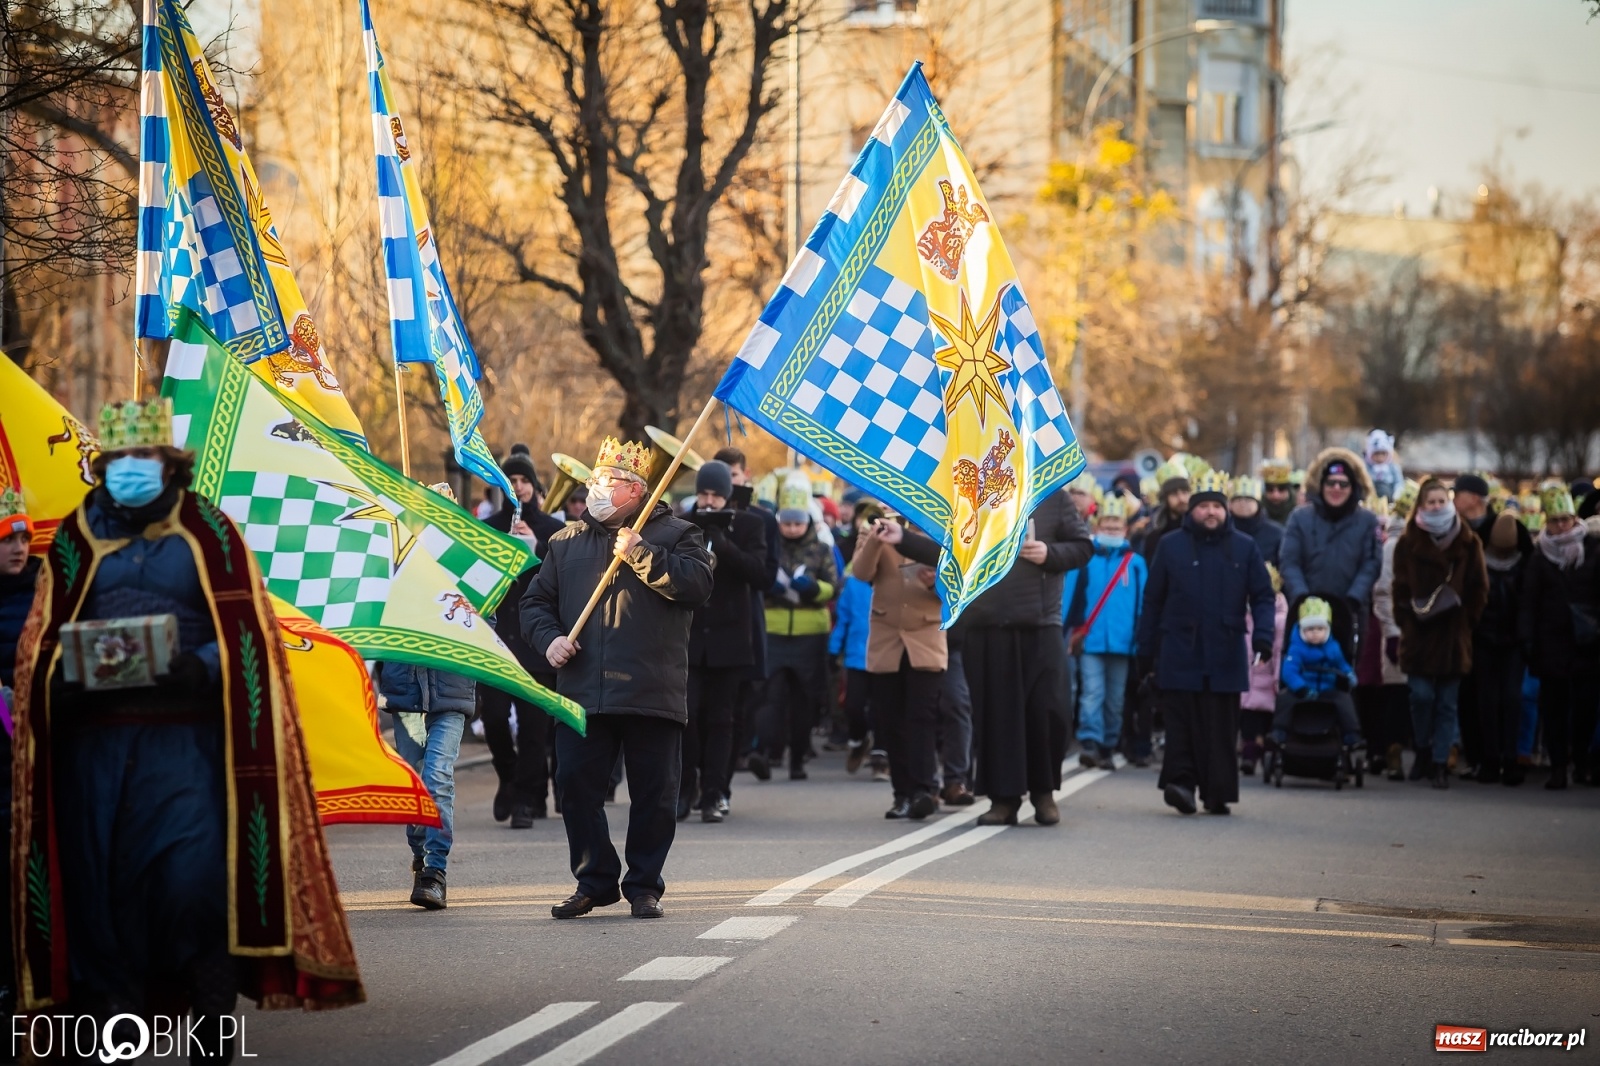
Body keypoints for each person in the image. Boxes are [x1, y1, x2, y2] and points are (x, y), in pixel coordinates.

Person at [12, 399, 362, 1036]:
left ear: (170, 465)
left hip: (187, 748)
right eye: (118, 460)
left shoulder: (211, 533)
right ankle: (106, 1034)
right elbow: (42, 639)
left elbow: (250, 637)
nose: (130, 469)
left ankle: (211, 1023)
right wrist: (65, 674)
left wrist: (201, 664)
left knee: (192, 889)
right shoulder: (73, 537)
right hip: (93, 753)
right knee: (101, 901)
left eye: (143, 457)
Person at [521, 436, 713, 919]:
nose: (596, 490)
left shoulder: (678, 534)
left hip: (652, 689)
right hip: (584, 689)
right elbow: (535, 603)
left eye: (608, 483)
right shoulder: (565, 542)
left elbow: (696, 586)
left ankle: (644, 884)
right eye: (594, 481)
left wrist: (642, 553)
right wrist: (549, 640)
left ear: (635, 490)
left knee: (654, 793)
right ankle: (594, 879)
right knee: (574, 785)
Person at [1139, 472, 1276, 816]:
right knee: (1181, 723)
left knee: (1220, 726)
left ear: (1226, 511)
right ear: (1192, 511)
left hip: (1226, 649)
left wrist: (1263, 636)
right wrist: (1145, 648)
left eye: (1218, 506)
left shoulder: (1245, 547)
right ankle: (1181, 784)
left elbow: (1262, 596)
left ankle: (1218, 792)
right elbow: (1153, 600)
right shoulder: (1171, 545)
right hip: (1179, 648)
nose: (1211, 512)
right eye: (1205, 507)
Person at [375, 486, 480, 910]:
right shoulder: (392, 562)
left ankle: (436, 870)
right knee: (414, 784)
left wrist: (450, 603)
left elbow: (484, 621)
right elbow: (372, 621)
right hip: (405, 697)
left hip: (450, 694)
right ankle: (420, 855)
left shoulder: (465, 566)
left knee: (437, 775)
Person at [961, 488, 1094, 827]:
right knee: (997, 716)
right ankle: (1003, 800)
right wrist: (902, 537)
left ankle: (1043, 792)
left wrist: (1048, 553)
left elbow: (1082, 547)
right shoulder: (972, 490)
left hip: (1041, 623)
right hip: (987, 623)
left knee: (1048, 712)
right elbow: (949, 546)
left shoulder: (1052, 493)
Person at [482, 449, 568, 826]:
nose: (518, 487)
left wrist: (536, 550)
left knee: (535, 728)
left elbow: (561, 582)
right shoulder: (490, 525)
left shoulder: (552, 530)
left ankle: (528, 800)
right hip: (500, 641)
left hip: (537, 640)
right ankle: (509, 778)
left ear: (534, 485)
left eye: (524, 481)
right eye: (511, 481)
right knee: (496, 719)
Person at [681, 460, 768, 822]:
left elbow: (762, 574)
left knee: (722, 719)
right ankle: (685, 790)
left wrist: (726, 546)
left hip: (731, 640)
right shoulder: (685, 522)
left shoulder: (751, 524)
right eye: (704, 493)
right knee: (687, 718)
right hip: (690, 639)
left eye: (716, 495)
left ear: (728, 496)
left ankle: (715, 792)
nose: (709, 500)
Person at [1391, 478, 1489, 789]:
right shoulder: (1408, 542)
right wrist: (1405, 620)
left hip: (1452, 635)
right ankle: (1422, 749)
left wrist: (1466, 621)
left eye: (1440, 501)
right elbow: (1399, 587)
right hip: (1419, 634)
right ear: (1420, 506)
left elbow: (1479, 587)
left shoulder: (1468, 541)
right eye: (1430, 502)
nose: (1436, 507)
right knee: (1421, 697)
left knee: (1447, 703)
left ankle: (1439, 762)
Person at [851, 511, 946, 820]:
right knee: (890, 720)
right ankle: (901, 794)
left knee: (921, 718)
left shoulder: (941, 530)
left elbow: (960, 585)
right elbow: (862, 574)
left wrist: (935, 584)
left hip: (925, 636)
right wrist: (877, 538)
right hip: (887, 639)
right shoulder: (875, 530)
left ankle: (924, 789)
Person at [750, 473, 838, 782]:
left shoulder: (821, 550)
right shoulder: (769, 543)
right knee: (768, 697)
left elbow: (833, 586)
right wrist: (768, 586)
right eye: (786, 523)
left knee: (804, 700)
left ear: (807, 522)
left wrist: (814, 590)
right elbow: (757, 576)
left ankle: (798, 759)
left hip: (809, 634)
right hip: (773, 630)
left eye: (797, 523)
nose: (791, 529)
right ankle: (763, 752)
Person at [1517, 486, 1600, 790]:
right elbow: (1529, 600)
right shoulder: (1541, 556)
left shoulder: (1593, 549)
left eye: (1566, 520)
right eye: (1555, 521)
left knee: (1585, 708)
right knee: (1553, 709)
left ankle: (1580, 760)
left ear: (1575, 518)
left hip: (1587, 641)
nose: (1561, 526)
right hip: (1550, 642)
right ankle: (1559, 767)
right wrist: (1527, 638)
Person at [1063, 496, 1146, 771]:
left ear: (1125, 529)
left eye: (1117, 524)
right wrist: (1068, 628)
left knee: (1115, 699)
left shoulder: (1135, 563)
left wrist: (1140, 636)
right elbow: (1071, 595)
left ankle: (1108, 744)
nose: (1111, 529)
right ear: (1097, 527)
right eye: (1107, 524)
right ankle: (1090, 741)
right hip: (1091, 639)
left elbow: (1142, 603)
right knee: (1092, 693)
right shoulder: (1086, 558)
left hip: (1124, 641)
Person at [0, 488, 40, 1023]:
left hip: (29, 757)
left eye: (26, 536)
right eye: (7, 537)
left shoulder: (45, 593)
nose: (18, 545)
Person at [1280, 448, 1382, 627]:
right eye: (1330, 483)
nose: (1336, 488)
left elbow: (1371, 563)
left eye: (1343, 484)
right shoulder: (1299, 518)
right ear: (1321, 485)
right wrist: (1303, 598)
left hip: (1351, 614)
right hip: (1305, 613)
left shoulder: (1367, 521)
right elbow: (1289, 561)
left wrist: (1353, 599)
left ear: (1353, 488)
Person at [1473, 513, 1531, 785]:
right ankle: (1490, 758)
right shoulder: (1478, 561)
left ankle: (1510, 758)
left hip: (1513, 642)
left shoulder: (1526, 564)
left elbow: (1529, 606)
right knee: (1487, 700)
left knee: (1511, 699)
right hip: (1484, 639)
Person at [1364, 485, 1415, 780]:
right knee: (1382, 689)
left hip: (1421, 628)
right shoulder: (1392, 546)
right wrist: (1392, 631)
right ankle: (1383, 748)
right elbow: (1382, 591)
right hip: (1385, 625)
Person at [1269, 597, 1362, 749]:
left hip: (1327, 689)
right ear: (1302, 629)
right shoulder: (1297, 649)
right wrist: (1300, 687)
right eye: (1310, 629)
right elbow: (1289, 671)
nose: (1315, 634)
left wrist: (1349, 674)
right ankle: (1279, 732)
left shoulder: (1333, 647)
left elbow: (1341, 664)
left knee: (1344, 700)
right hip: (1303, 689)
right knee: (1284, 699)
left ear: (1327, 629)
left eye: (1320, 629)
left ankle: (1351, 733)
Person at [829, 502, 879, 774]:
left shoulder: (892, 576)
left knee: (883, 709)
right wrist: (833, 649)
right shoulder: (854, 583)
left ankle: (881, 758)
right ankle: (859, 740)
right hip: (857, 655)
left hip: (885, 654)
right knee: (854, 707)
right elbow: (844, 619)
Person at [1239, 563, 1287, 776]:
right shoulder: (1243, 613)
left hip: (1267, 678)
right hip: (1246, 679)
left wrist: (1278, 680)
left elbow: (1278, 652)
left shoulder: (1279, 618)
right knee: (1248, 718)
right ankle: (1251, 752)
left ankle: (1260, 751)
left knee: (1264, 721)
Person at [1228, 475, 1284, 566]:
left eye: (1248, 500)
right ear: (1230, 505)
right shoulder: (1222, 531)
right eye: (1238, 499)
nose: (1243, 504)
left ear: (1257, 503)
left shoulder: (1276, 533)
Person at [1138, 468, 1190, 562]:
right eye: (1174, 494)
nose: (1181, 499)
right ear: (1165, 499)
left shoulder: (1198, 532)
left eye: (1185, 493)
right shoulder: (1155, 537)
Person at [1365, 430, 1403, 503]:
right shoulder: (1366, 468)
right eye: (1377, 454)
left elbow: (1399, 483)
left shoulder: (1393, 467)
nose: (1380, 457)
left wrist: (1397, 494)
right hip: (1371, 499)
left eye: (1383, 453)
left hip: (1390, 500)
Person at [1260, 459, 1297, 525]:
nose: (1276, 495)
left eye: (1281, 488)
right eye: (1270, 489)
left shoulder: (1299, 515)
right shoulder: (1256, 515)